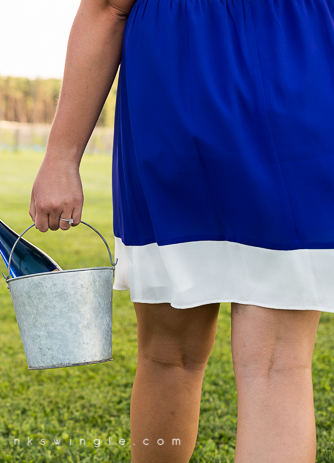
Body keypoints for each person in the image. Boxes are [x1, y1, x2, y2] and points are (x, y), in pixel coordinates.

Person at [31, 0, 332, 462]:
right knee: (275, 367)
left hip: (174, 99)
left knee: (169, 356)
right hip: (300, 94)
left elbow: (107, 9)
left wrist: (62, 156)